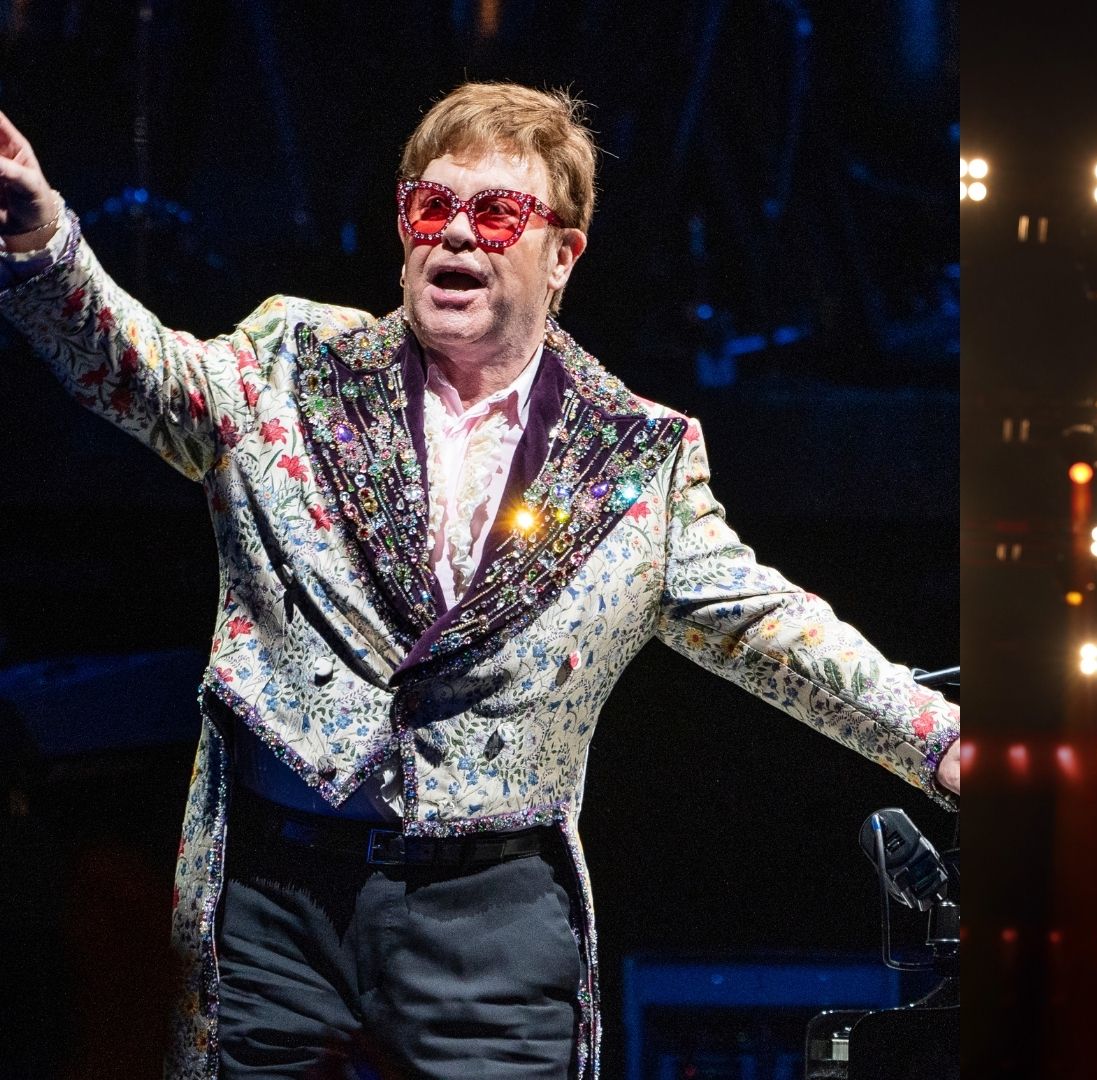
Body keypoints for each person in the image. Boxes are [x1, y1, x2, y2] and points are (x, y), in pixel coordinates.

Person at [0, 83, 959, 1079]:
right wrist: (42, 245)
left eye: (497, 213)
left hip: (491, 920)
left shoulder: (636, 459)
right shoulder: (294, 364)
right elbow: (137, 372)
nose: (457, 234)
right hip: (280, 902)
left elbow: (772, 627)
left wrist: (941, 743)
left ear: (562, 254)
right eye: (432, 207)